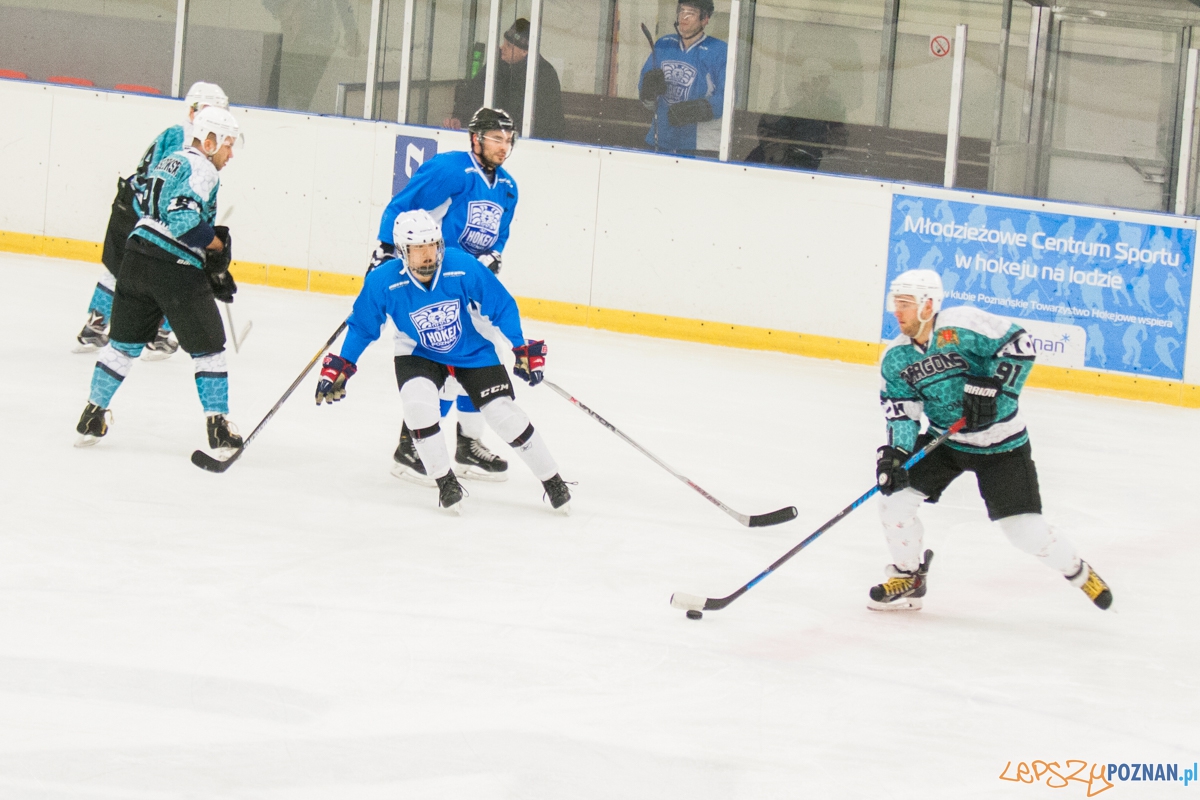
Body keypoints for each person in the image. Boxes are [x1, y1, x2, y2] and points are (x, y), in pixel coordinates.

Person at [871, 269, 1113, 612]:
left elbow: (1020, 344)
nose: (897, 312)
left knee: (1024, 532)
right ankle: (909, 577)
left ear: (928, 305)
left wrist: (998, 389)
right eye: (895, 303)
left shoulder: (963, 325)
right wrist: (896, 453)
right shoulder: (896, 358)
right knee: (894, 501)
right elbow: (901, 410)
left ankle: (1077, 570)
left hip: (1003, 444)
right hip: (946, 442)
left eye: (905, 304)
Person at [316, 209, 572, 515]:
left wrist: (519, 345)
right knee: (417, 407)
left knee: (504, 414)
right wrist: (343, 363)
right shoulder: (383, 281)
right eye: (418, 249)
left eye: (432, 246)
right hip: (418, 353)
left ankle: (552, 480)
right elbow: (363, 326)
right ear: (401, 253)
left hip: (472, 351)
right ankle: (445, 482)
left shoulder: (462, 266)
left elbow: (501, 305)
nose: (427, 256)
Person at [75, 106, 243, 453]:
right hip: (173, 267)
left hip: (135, 259)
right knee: (210, 350)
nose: (230, 153)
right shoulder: (203, 169)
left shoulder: (172, 160)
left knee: (121, 346)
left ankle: (92, 415)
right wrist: (217, 245)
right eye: (228, 145)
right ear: (210, 141)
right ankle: (219, 428)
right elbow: (183, 221)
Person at [374, 108, 520, 485]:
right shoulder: (452, 169)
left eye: (509, 139)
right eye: (496, 138)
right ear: (475, 139)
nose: (503, 146)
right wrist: (386, 247)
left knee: (485, 357)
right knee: (440, 364)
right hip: (436, 282)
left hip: (470, 287)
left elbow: (498, 235)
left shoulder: (507, 187)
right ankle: (411, 446)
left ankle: (467, 446)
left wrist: (493, 256)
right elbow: (403, 205)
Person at [75, 81, 230, 360]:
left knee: (120, 271)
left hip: (131, 206)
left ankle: (94, 327)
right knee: (176, 271)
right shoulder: (189, 141)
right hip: (143, 215)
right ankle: (156, 334)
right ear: (198, 111)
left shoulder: (174, 132)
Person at [444, 18, 565, 141]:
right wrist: (458, 118)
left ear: (525, 51)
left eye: (508, 45)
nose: (502, 47)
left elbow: (546, 123)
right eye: (504, 42)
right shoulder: (497, 64)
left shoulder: (544, 74)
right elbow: (474, 92)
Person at [638, 0, 727, 157]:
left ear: (705, 19)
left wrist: (696, 110)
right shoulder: (664, 45)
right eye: (681, 11)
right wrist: (648, 92)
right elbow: (647, 100)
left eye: (691, 13)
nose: (683, 17)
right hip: (660, 139)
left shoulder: (719, 51)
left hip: (700, 145)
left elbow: (727, 98)